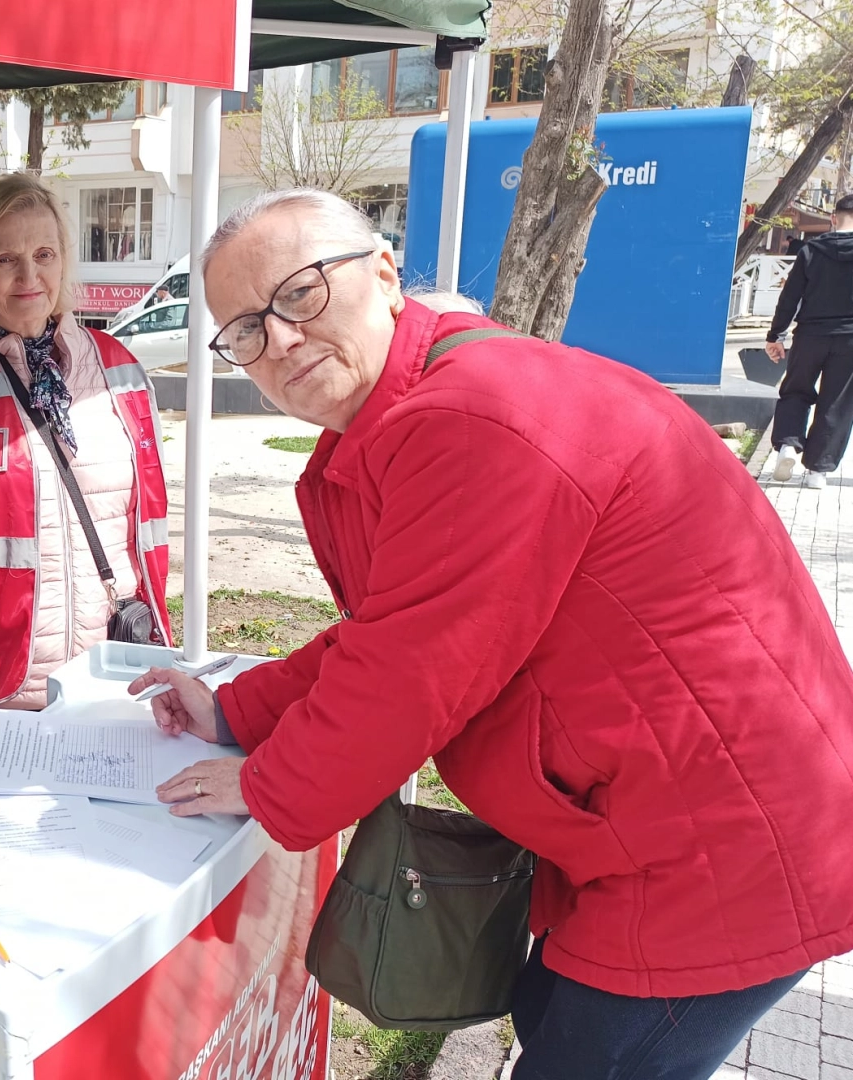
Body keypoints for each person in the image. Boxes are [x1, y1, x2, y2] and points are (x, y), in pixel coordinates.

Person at [134, 189, 853, 1080]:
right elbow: (392, 626)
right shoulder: (421, 410)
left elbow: (411, 670)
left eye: (300, 293)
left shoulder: (474, 416)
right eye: (245, 328)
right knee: (548, 1025)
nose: (278, 339)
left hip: (715, 856)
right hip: (650, 829)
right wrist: (236, 711)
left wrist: (265, 782)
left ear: (385, 273)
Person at [0, 173, 172, 709]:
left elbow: (145, 529)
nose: (29, 276)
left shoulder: (120, 370)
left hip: (114, 679)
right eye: (5, 258)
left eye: (44, 254)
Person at [765, 193, 853, 488]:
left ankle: (788, 445)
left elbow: (789, 297)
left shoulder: (810, 250)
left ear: (833, 218)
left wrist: (775, 335)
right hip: (849, 340)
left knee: (796, 390)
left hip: (809, 336)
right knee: (837, 402)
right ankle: (818, 471)